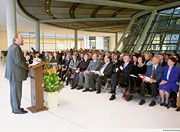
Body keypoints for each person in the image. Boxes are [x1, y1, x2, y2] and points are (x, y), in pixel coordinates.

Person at [5, 33, 29, 114]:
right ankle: (16, 109)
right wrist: (27, 66)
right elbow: (18, 61)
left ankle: (15, 107)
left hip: (13, 73)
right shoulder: (15, 48)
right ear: (16, 39)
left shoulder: (12, 47)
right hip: (16, 74)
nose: (22, 39)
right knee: (16, 92)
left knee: (14, 91)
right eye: (21, 38)